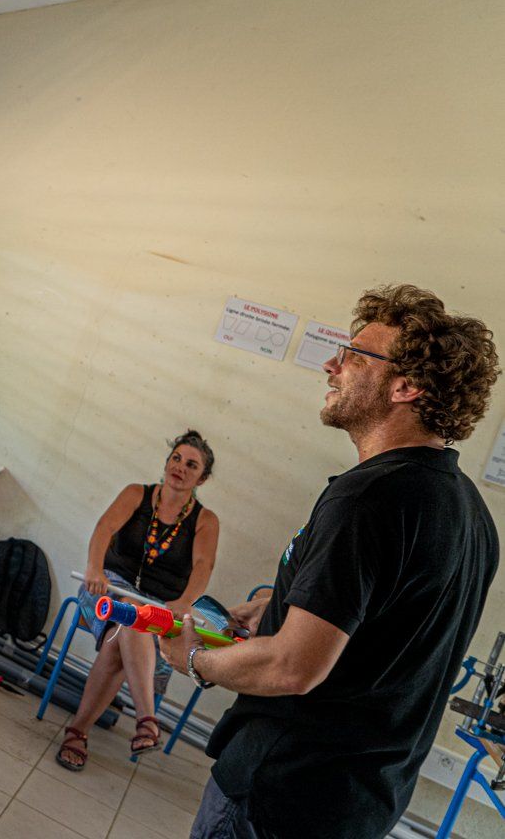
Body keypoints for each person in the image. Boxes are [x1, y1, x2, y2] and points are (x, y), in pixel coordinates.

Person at [160, 285, 500, 839]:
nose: (331, 364)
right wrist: (284, 604)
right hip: (356, 808)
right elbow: (388, 629)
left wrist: (196, 658)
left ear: (406, 386)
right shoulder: (471, 515)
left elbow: (293, 667)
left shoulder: (368, 497)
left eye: (354, 355)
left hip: (281, 793)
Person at [55, 431, 221, 769]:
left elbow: (204, 565)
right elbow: (103, 529)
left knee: (129, 627)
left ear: (202, 478)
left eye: (191, 465)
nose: (180, 468)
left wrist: (185, 601)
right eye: (176, 458)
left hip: (161, 606)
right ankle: (146, 719)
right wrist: (94, 569)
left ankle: (78, 731)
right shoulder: (136, 493)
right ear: (167, 461)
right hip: (108, 588)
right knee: (132, 616)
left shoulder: (206, 521)